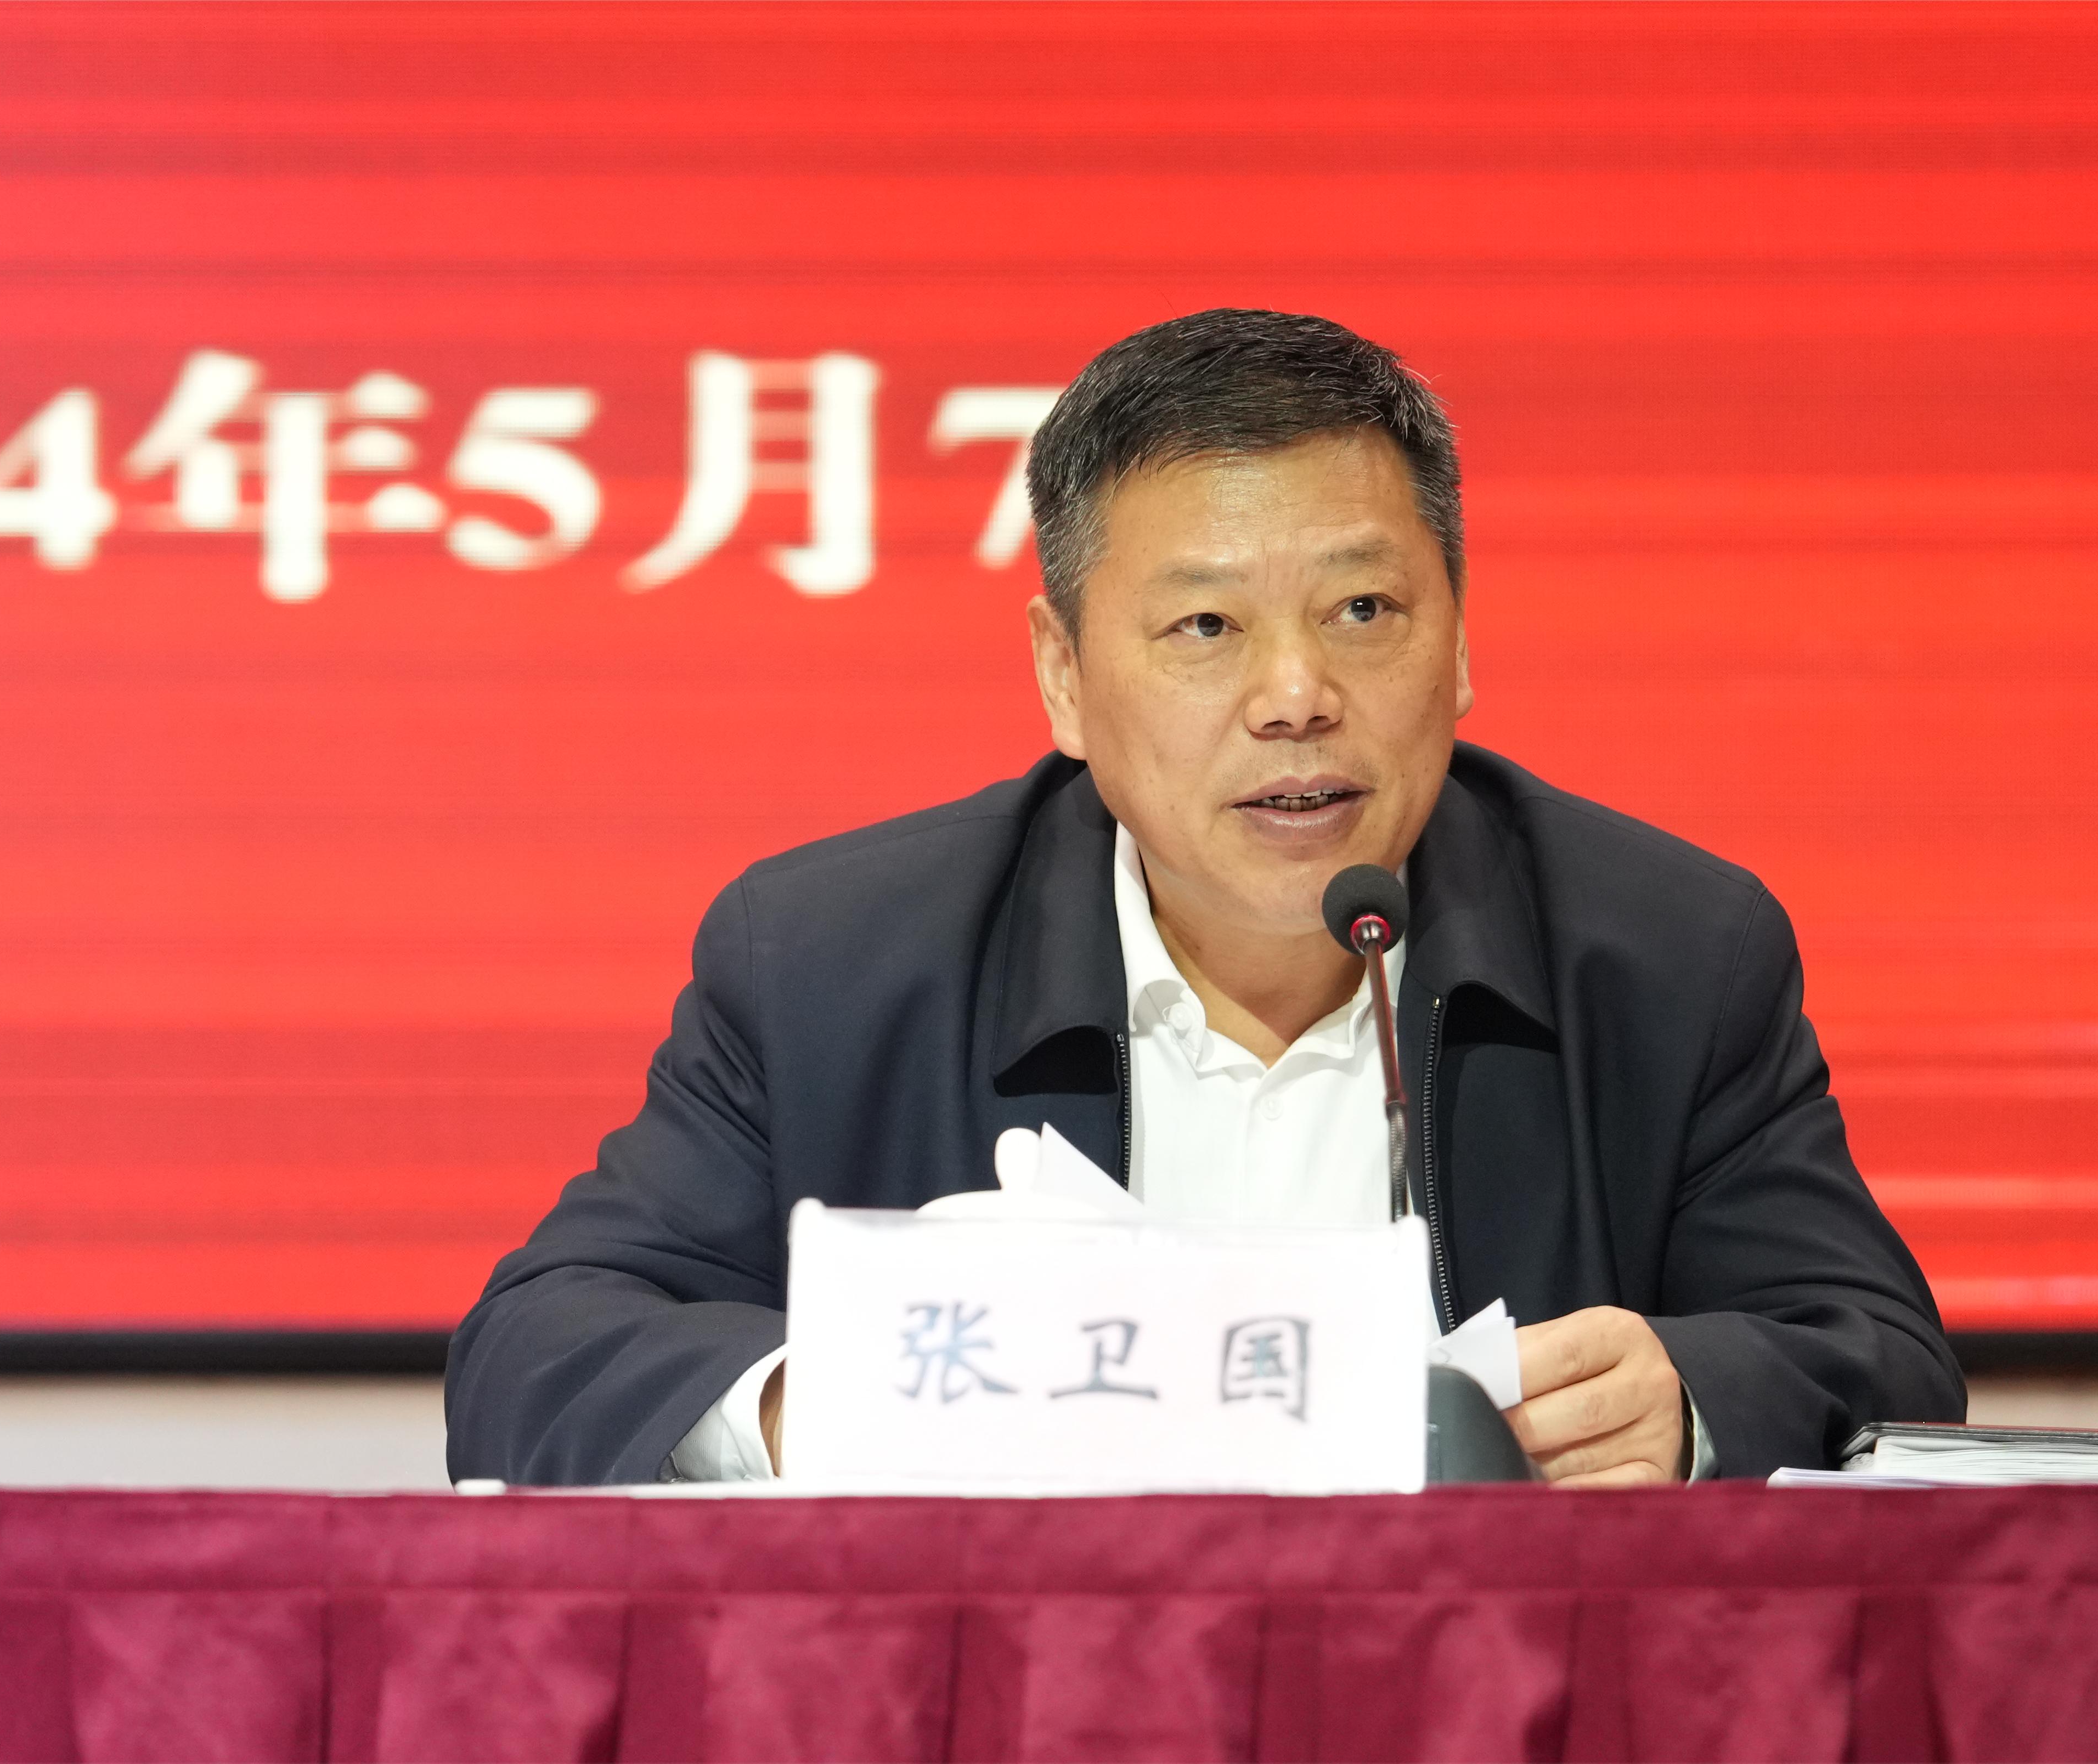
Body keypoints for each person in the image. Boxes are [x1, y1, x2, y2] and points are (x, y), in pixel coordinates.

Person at [444, 309, 1964, 1488]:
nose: (1296, 695)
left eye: (1364, 609)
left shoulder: (1671, 955)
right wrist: (827, 1401)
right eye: (1205, 628)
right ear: (1063, 675)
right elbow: (535, 1352)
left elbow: (1887, 1361)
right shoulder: (831, 963)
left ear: (1459, 644)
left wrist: (1689, 1403)